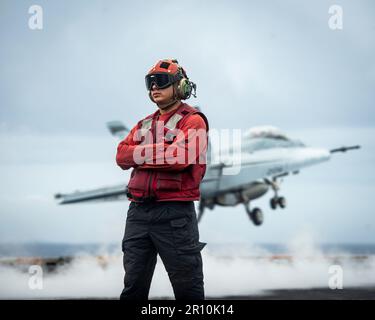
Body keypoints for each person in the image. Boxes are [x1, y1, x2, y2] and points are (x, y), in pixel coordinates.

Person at [116, 59, 209, 300]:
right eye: (150, 82)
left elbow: (180, 158)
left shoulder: (194, 121)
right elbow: (121, 156)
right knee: (133, 288)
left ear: (181, 86)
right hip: (138, 213)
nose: (154, 87)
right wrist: (160, 150)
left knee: (188, 290)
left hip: (174, 215)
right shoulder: (145, 123)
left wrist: (141, 153)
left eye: (162, 82)